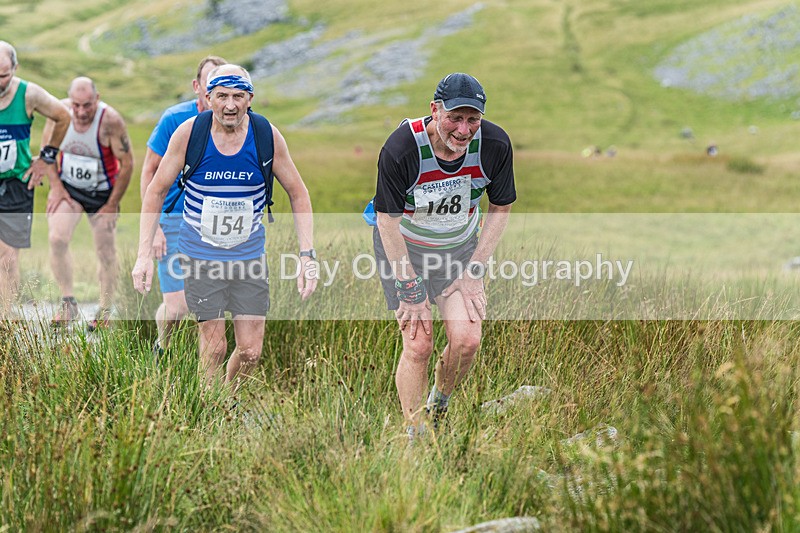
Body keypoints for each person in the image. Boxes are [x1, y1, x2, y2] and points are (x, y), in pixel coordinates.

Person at [132, 64, 317, 388]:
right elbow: (156, 191)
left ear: (250, 99)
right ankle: (209, 407)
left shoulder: (267, 136)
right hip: (201, 257)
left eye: (238, 96)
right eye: (222, 96)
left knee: (250, 352)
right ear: (208, 98)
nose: (230, 105)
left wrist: (307, 255)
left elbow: (299, 194)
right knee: (215, 347)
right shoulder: (189, 134)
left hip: (249, 258)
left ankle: (227, 402)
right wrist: (143, 255)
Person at [372, 72, 516, 438]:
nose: (463, 130)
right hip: (404, 249)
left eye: (473, 119)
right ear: (435, 110)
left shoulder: (495, 145)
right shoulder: (402, 148)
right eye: (455, 118)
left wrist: (474, 272)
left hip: (457, 251)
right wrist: (409, 288)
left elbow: (501, 207)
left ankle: (437, 408)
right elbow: (386, 221)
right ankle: (414, 435)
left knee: (467, 341)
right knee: (419, 344)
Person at [140, 55, 226, 356]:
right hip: (173, 220)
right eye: (209, 81)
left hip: (213, 224)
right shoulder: (174, 119)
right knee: (177, 307)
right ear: (197, 86)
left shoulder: (233, 123)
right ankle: (162, 347)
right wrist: (154, 229)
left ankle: (203, 366)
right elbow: (149, 172)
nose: (214, 89)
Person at [44, 77, 134, 330]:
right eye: (76, 105)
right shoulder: (58, 114)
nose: (81, 112)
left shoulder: (110, 121)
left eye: (87, 105)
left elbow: (127, 164)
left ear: (97, 99)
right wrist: (56, 187)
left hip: (102, 194)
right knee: (57, 239)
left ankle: (104, 310)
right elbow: (46, 151)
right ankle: (68, 303)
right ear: (69, 101)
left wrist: (112, 204)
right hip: (70, 189)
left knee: (105, 252)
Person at [0, 41, 71, 318]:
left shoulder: (29, 94)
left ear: (15, 68)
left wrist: (46, 158)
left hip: (17, 184)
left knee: (8, 256)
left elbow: (63, 116)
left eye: (3, 75)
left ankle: (4, 318)